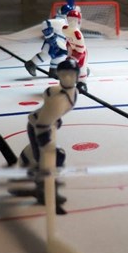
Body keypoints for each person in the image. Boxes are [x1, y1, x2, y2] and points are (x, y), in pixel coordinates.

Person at [19, 59, 79, 205]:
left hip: (40, 123)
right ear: (58, 75)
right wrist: (44, 140)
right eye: (64, 74)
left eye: (71, 74)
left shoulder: (71, 92)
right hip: (39, 128)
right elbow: (42, 123)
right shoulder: (60, 99)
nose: (67, 78)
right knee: (52, 159)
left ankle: (28, 173)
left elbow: (48, 95)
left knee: (44, 158)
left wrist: (54, 117)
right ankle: (44, 190)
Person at [25, 4, 70, 78]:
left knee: (58, 55)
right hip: (54, 42)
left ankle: (53, 70)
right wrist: (50, 37)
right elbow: (45, 23)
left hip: (60, 42)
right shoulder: (60, 21)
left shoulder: (65, 21)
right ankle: (31, 64)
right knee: (47, 54)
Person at [62, 8, 89, 92]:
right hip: (72, 50)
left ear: (78, 21)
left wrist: (74, 58)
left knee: (82, 68)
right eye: (70, 19)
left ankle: (82, 83)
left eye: (74, 20)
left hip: (81, 53)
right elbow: (68, 42)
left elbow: (80, 50)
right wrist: (69, 53)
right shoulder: (65, 29)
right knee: (69, 66)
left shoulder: (78, 35)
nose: (72, 21)